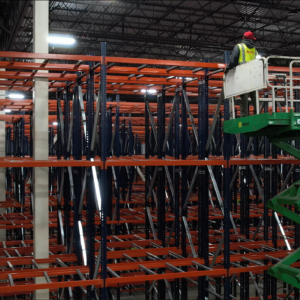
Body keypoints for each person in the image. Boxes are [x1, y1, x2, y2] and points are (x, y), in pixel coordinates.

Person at [224, 31, 259, 117]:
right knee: (254, 94)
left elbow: (233, 60)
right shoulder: (254, 50)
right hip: (253, 75)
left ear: (243, 38)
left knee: (244, 95)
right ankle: (257, 113)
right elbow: (258, 62)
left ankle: (244, 115)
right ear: (251, 40)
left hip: (243, 74)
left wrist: (228, 69)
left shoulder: (239, 47)